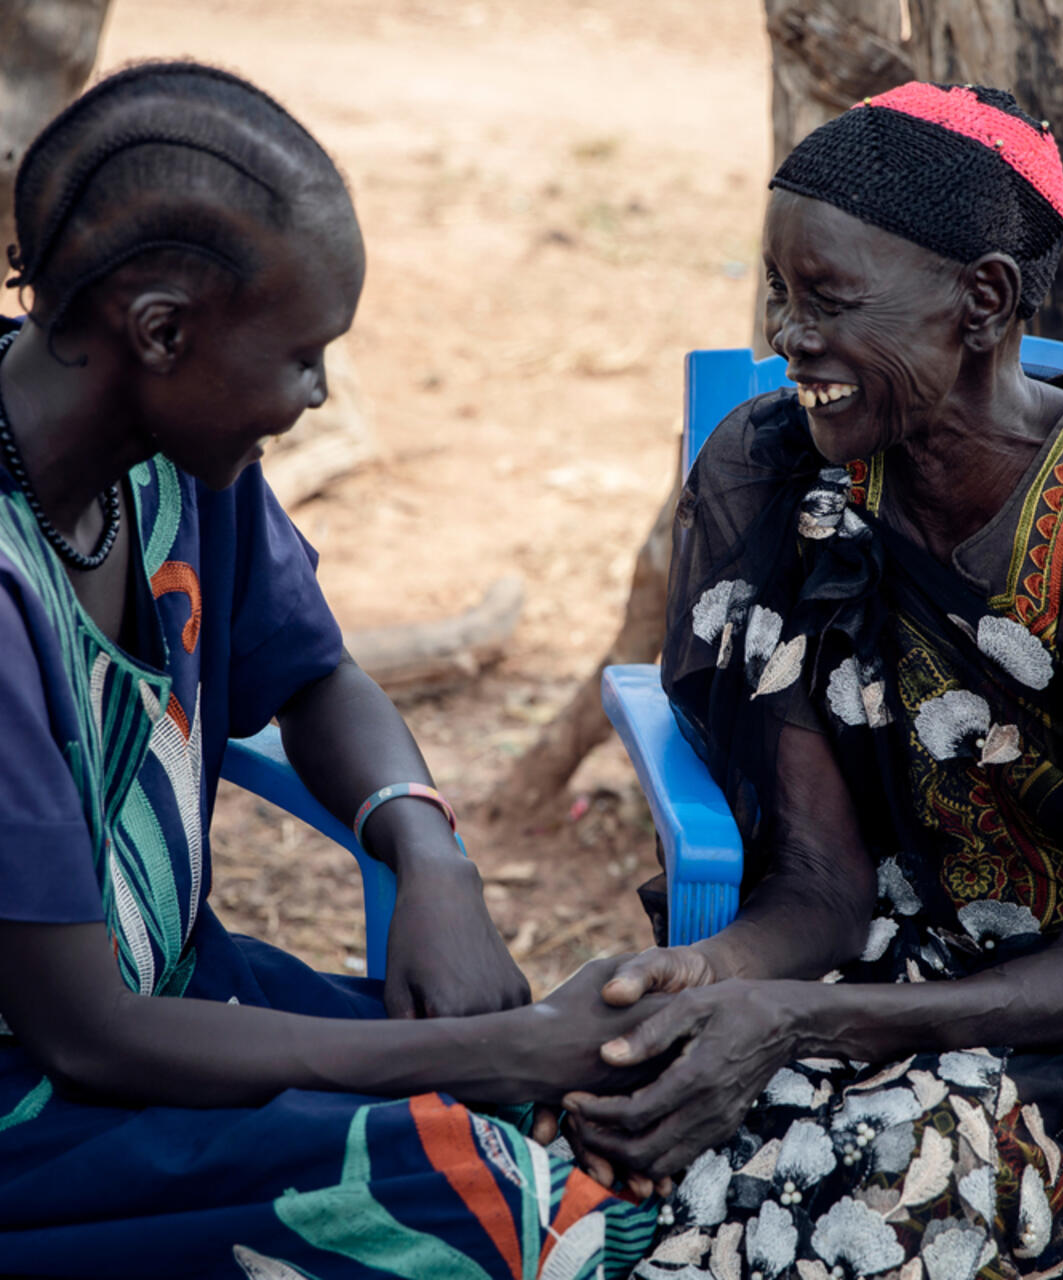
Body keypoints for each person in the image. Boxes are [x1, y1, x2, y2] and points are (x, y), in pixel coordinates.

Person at [562, 83, 1063, 1279]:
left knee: (856, 1202)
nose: (790, 335)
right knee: (615, 1142)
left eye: (830, 299)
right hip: (871, 952)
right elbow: (821, 894)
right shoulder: (776, 473)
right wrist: (704, 975)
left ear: (982, 299)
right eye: (781, 293)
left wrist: (789, 1018)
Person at [0, 61, 667, 1278]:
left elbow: (314, 675)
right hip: (45, 1112)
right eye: (305, 357)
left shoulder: (161, 462)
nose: (315, 397)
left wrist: (429, 851)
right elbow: (81, 1032)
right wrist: (496, 1052)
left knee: (610, 1109)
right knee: (525, 1205)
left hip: (180, 1012)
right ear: (159, 330)